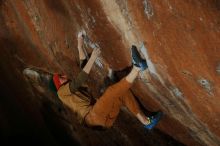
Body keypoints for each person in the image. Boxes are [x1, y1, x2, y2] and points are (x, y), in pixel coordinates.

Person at [24, 32, 162, 130]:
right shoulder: (61, 92)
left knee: (121, 94)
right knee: (110, 92)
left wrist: (79, 43)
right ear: (58, 83)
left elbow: (83, 66)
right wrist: (93, 57)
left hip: (105, 122)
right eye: (61, 77)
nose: (64, 76)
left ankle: (145, 121)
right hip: (93, 118)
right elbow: (81, 77)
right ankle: (137, 68)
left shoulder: (71, 92)